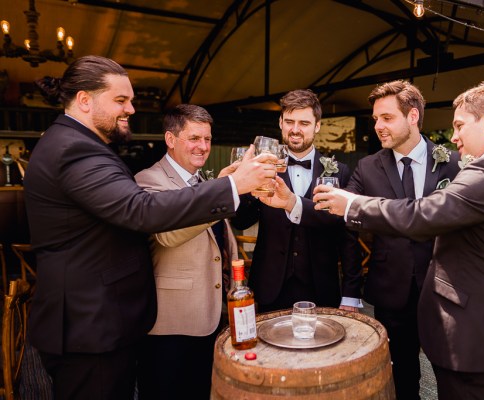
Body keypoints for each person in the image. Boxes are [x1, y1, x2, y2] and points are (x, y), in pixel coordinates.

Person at [24, 55, 275, 400]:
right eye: (120, 100)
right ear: (84, 99)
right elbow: (139, 209)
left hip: (104, 321)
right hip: (90, 325)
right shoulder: (75, 150)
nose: (131, 109)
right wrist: (231, 187)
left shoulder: (83, 146)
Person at [314, 80, 484, 400]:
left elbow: (423, 215)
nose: (454, 135)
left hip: (476, 336)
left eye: (459, 125)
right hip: (466, 327)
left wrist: (352, 204)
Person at [344, 80, 460, 398]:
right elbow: (342, 213)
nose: (378, 126)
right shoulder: (368, 167)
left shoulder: (451, 162)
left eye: (387, 117)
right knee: (402, 377)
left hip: (444, 288)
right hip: (392, 289)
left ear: (412, 117)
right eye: (376, 119)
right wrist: (293, 204)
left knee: (453, 375)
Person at [134, 104, 237, 399]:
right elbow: (168, 234)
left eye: (207, 139)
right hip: (171, 323)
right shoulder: (149, 180)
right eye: (194, 138)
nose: (202, 147)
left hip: (211, 316)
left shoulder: (203, 180)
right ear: (170, 139)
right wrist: (225, 192)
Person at [231, 89, 363, 312]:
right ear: (280, 122)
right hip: (269, 288)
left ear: (317, 126)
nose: (295, 129)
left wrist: (351, 295)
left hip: (321, 287)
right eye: (289, 121)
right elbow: (241, 221)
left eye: (304, 123)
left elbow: (348, 236)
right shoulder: (260, 167)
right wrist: (241, 185)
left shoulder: (339, 171)